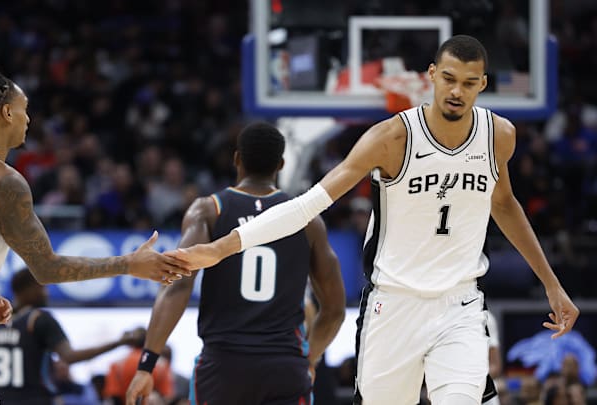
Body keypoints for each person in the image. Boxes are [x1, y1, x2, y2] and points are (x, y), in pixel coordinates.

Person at [168, 35, 580, 405]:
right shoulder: (391, 139)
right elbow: (308, 204)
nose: (457, 91)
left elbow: (505, 204)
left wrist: (552, 283)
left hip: (461, 303)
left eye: (469, 83)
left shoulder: (499, 135)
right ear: (432, 75)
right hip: (393, 303)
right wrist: (222, 247)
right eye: (449, 78)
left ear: (483, 85)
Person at [0, 29, 190, 405]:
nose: (28, 119)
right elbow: (46, 269)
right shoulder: (2, 181)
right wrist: (130, 263)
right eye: (25, 109)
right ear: (6, 112)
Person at [126, 123, 346, 405]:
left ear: (237, 159)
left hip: (224, 365)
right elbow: (335, 310)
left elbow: (176, 287)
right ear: (280, 164)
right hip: (284, 366)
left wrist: (147, 364)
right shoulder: (308, 221)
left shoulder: (209, 210)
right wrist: (310, 358)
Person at [0, 269, 138, 404]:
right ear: (27, 289)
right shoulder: (38, 319)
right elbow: (70, 357)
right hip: (38, 400)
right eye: (41, 287)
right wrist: (120, 342)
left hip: (0, 400)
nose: (45, 293)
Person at [103, 328, 174, 404]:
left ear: (130, 342)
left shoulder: (117, 364)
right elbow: (166, 396)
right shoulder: (162, 365)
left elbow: (113, 395)